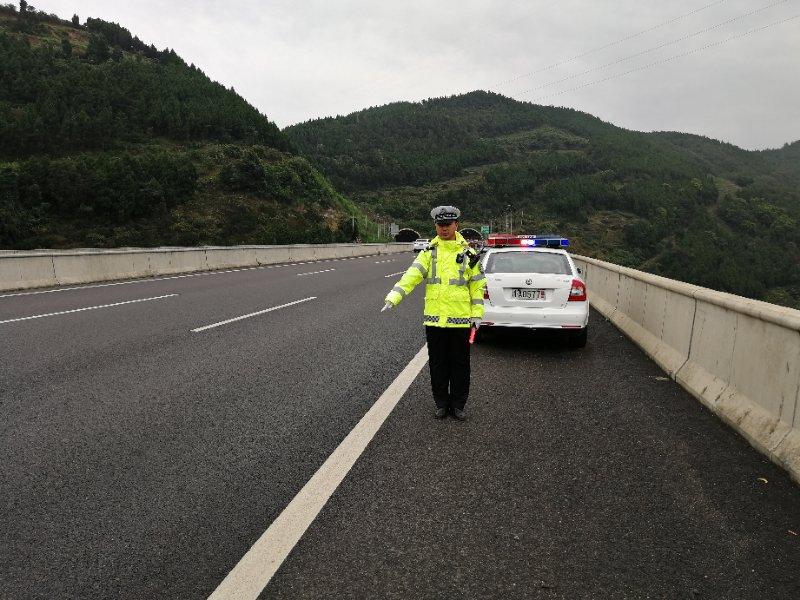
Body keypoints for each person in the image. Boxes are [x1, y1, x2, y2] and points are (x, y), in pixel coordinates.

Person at [382, 206, 486, 420]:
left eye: (448, 225)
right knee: (438, 364)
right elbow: (411, 276)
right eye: (440, 225)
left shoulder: (469, 254)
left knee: (460, 365)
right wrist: (394, 297)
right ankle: (441, 403)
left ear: (457, 225)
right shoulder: (429, 253)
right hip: (435, 320)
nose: (444, 229)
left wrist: (477, 314)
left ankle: (458, 405)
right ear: (435, 226)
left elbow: (477, 287)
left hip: (459, 321)